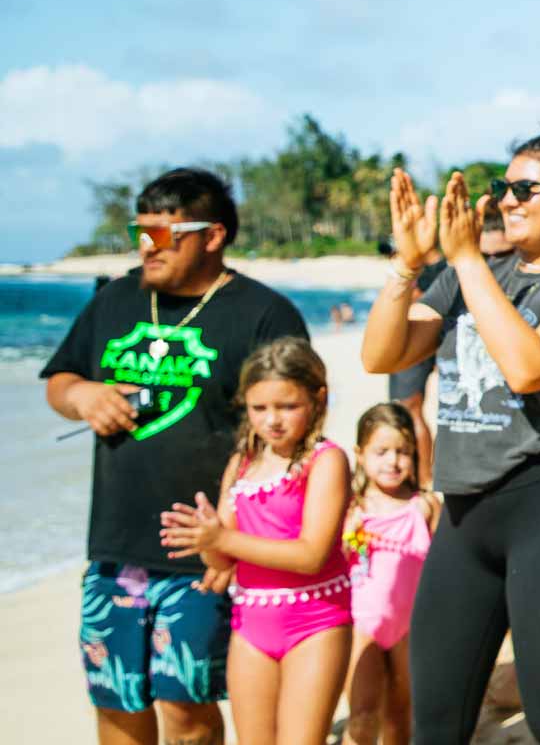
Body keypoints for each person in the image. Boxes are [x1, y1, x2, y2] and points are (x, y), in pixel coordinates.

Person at [361, 112, 540, 744]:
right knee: (436, 726)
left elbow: (528, 366)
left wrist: (465, 260)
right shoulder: (471, 275)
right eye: (502, 186)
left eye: (524, 190)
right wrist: (407, 266)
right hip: (463, 516)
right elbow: (383, 355)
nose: (507, 201)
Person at [42, 167, 308, 745]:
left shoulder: (264, 314)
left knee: (186, 715)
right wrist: (83, 395)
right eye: (139, 232)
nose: (145, 247)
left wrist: (232, 540)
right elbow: (60, 379)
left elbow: (287, 438)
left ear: (212, 235)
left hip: (206, 552)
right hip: (115, 546)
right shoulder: (116, 299)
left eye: (161, 235)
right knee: (115, 705)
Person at [158, 337, 352, 745]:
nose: (272, 420)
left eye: (287, 407)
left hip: (315, 621)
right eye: (259, 408)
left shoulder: (325, 460)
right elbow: (222, 561)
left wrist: (223, 536)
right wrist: (203, 538)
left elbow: (311, 555)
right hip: (250, 625)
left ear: (318, 399)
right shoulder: (242, 464)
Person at [344, 402, 438, 745]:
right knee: (362, 715)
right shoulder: (351, 508)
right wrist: (346, 533)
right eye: (381, 451)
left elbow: (440, 569)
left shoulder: (424, 506)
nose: (393, 461)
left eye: (402, 452)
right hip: (361, 625)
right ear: (360, 453)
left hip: (410, 625)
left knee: (401, 712)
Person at [383, 243, 444, 488]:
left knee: (410, 409)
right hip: (430, 336)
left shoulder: (423, 267)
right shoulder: (444, 266)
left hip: (414, 334)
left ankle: (423, 477)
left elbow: (416, 298)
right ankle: (425, 474)